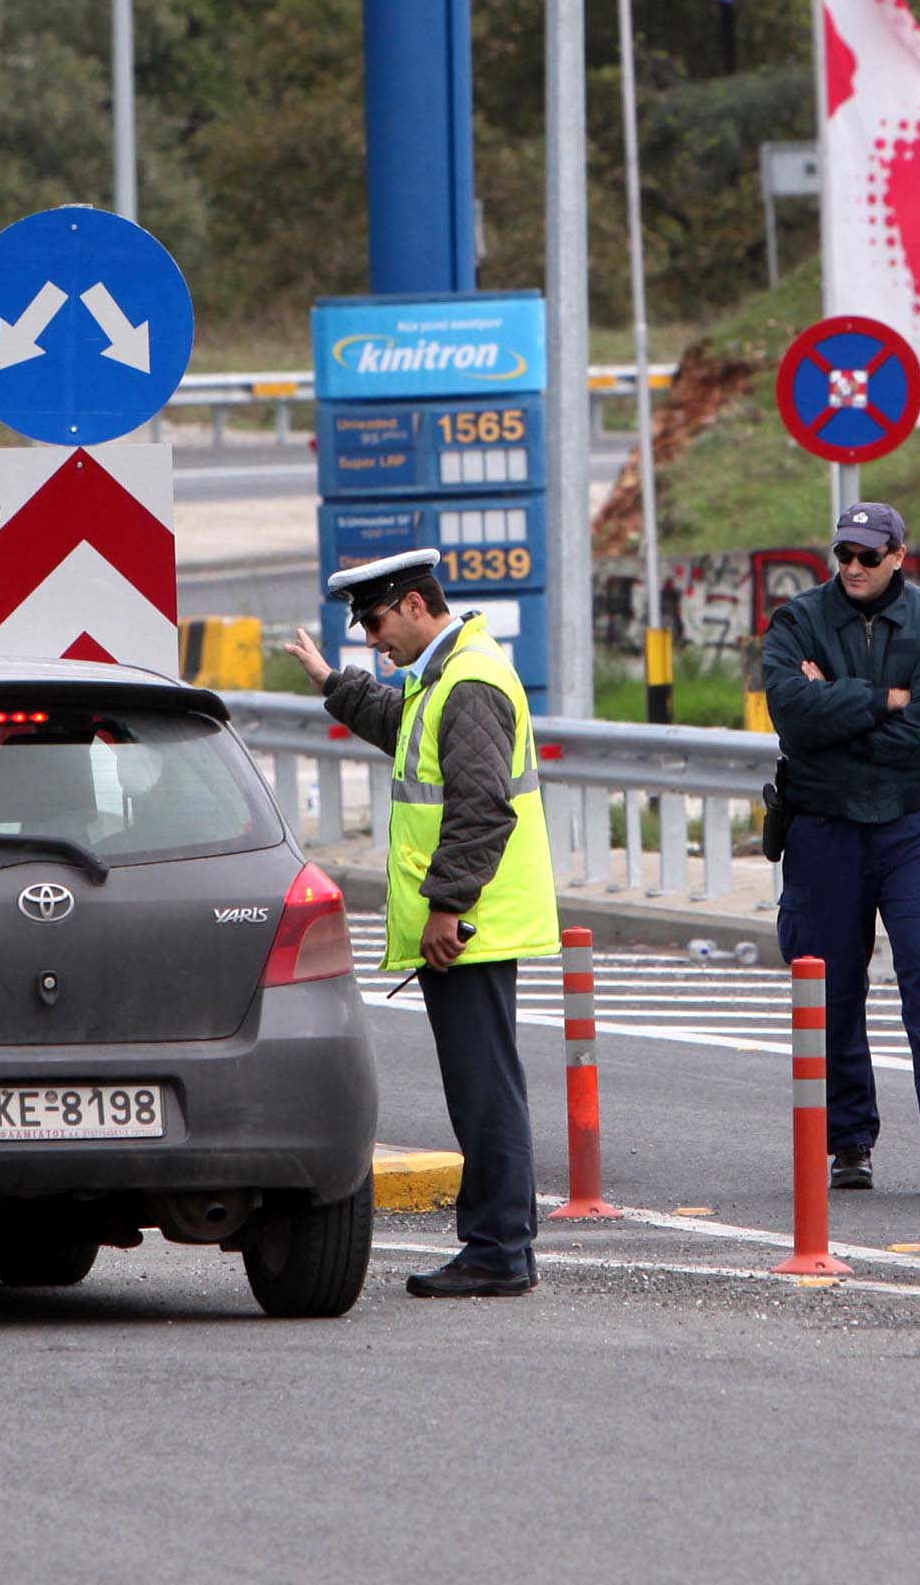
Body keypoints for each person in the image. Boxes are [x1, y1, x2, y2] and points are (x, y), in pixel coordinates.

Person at [283, 548, 558, 1297]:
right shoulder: (444, 677)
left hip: (471, 928)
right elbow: (403, 729)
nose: (372, 638)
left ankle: (499, 1249)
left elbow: (480, 807)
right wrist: (334, 685)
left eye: (374, 621)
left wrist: (447, 906)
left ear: (412, 604)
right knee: (483, 1086)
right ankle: (500, 1245)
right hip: (472, 925)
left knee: (485, 1089)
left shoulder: (467, 682)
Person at [760, 503, 920, 1193]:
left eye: (868, 556)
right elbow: (792, 712)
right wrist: (886, 698)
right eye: (843, 555)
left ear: (898, 556)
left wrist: (842, 719)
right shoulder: (798, 619)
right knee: (831, 988)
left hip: (913, 827)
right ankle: (849, 1140)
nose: (853, 568)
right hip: (823, 827)